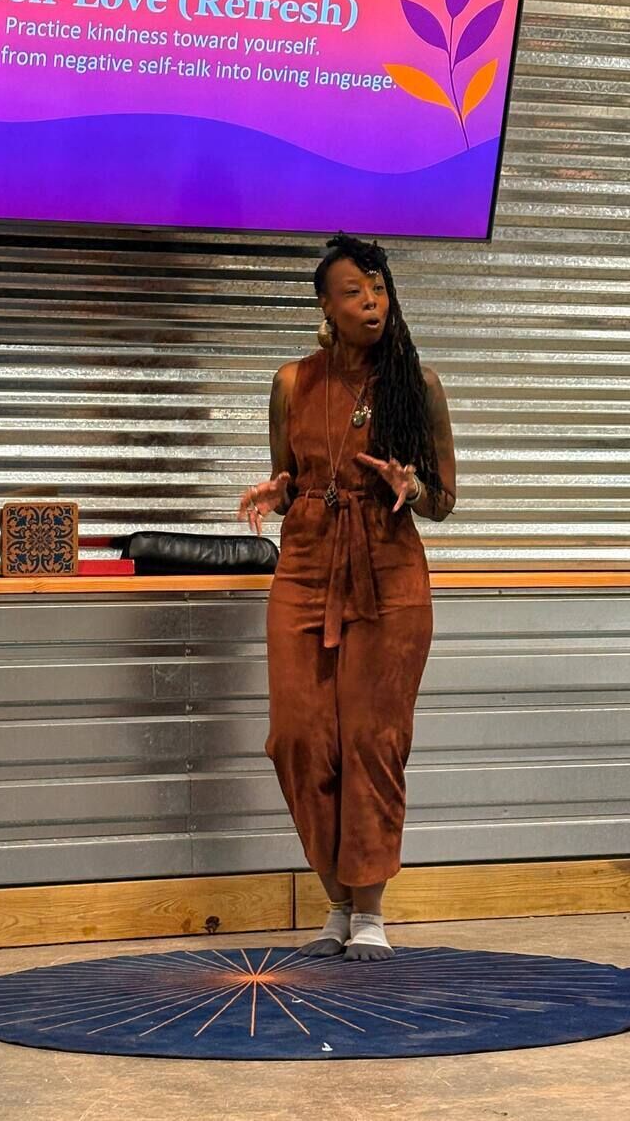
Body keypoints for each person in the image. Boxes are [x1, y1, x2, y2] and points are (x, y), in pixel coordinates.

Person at [238, 232, 456, 961]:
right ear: (326, 308)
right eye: (354, 291)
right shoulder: (291, 383)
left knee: (372, 739)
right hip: (306, 561)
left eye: (379, 288)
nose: (372, 302)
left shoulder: (418, 386)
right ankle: (335, 896)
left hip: (389, 570)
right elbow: (290, 475)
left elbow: (444, 500)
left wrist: (412, 487)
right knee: (296, 738)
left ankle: (368, 910)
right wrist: (278, 491)